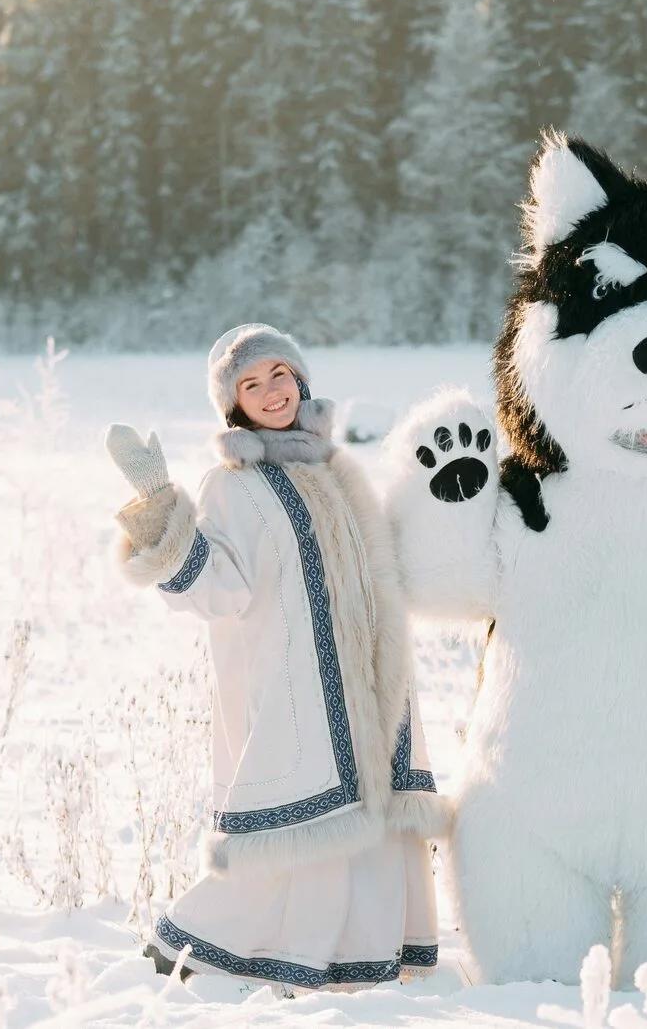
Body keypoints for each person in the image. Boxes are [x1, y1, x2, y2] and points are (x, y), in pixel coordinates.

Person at [105, 323, 447, 991]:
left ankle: (366, 954)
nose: (270, 391)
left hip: (372, 678)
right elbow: (218, 587)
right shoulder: (232, 485)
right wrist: (159, 512)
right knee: (306, 818)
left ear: (301, 379)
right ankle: (208, 945)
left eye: (279, 375)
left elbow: (383, 568)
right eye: (251, 384)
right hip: (297, 686)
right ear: (232, 403)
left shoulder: (338, 468)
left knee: (372, 811)